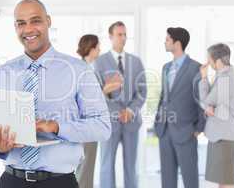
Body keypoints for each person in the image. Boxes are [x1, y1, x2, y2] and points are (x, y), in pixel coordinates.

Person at [0, 0, 111, 188]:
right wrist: (0, 148)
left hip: (58, 183)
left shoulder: (78, 70)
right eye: (21, 23)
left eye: (35, 20)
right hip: (11, 181)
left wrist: (56, 127)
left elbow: (102, 127)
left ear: (48, 21)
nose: (28, 29)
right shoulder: (3, 73)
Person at [94, 21, 147, 188]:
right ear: (110, 37)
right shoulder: (100, 62)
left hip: (131, 122)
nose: (123, 38)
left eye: (125, 34)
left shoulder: (136, 62)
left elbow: (142, 91)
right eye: (119, 34)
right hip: (110, 122)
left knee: (131, 166)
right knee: (106, 164)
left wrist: (130, 111)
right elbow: (96, 95)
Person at [154, 27, 206, 188]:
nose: (165, 42)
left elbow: (201, 99)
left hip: (186, 131)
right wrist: (158, 121)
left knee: (190, 179)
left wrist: (199, 127)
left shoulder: (195, 68)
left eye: (168, 39)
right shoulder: (166, 67)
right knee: (167, 181)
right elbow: (164, 96)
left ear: (177, 43)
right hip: (165, 131)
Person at [199, 43, 234, 188]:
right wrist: (209, 107)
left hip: (224, 137)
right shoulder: (223, 76)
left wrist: (203, 79)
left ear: (217, 61)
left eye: (209, 60)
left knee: (226, 183)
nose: (208, 63)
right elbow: (211, 103)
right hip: (222, 136)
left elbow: (206, 101)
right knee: (223, 182)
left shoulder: (224, 79)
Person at [75, 34, 100, 188]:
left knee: (86, 167)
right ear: (91, 49)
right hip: (86, 125)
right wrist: (105, 90)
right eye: (97, 47)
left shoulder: (88, 68)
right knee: (85, 167)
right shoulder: (82, 69)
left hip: (89, 125)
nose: (99, 50)